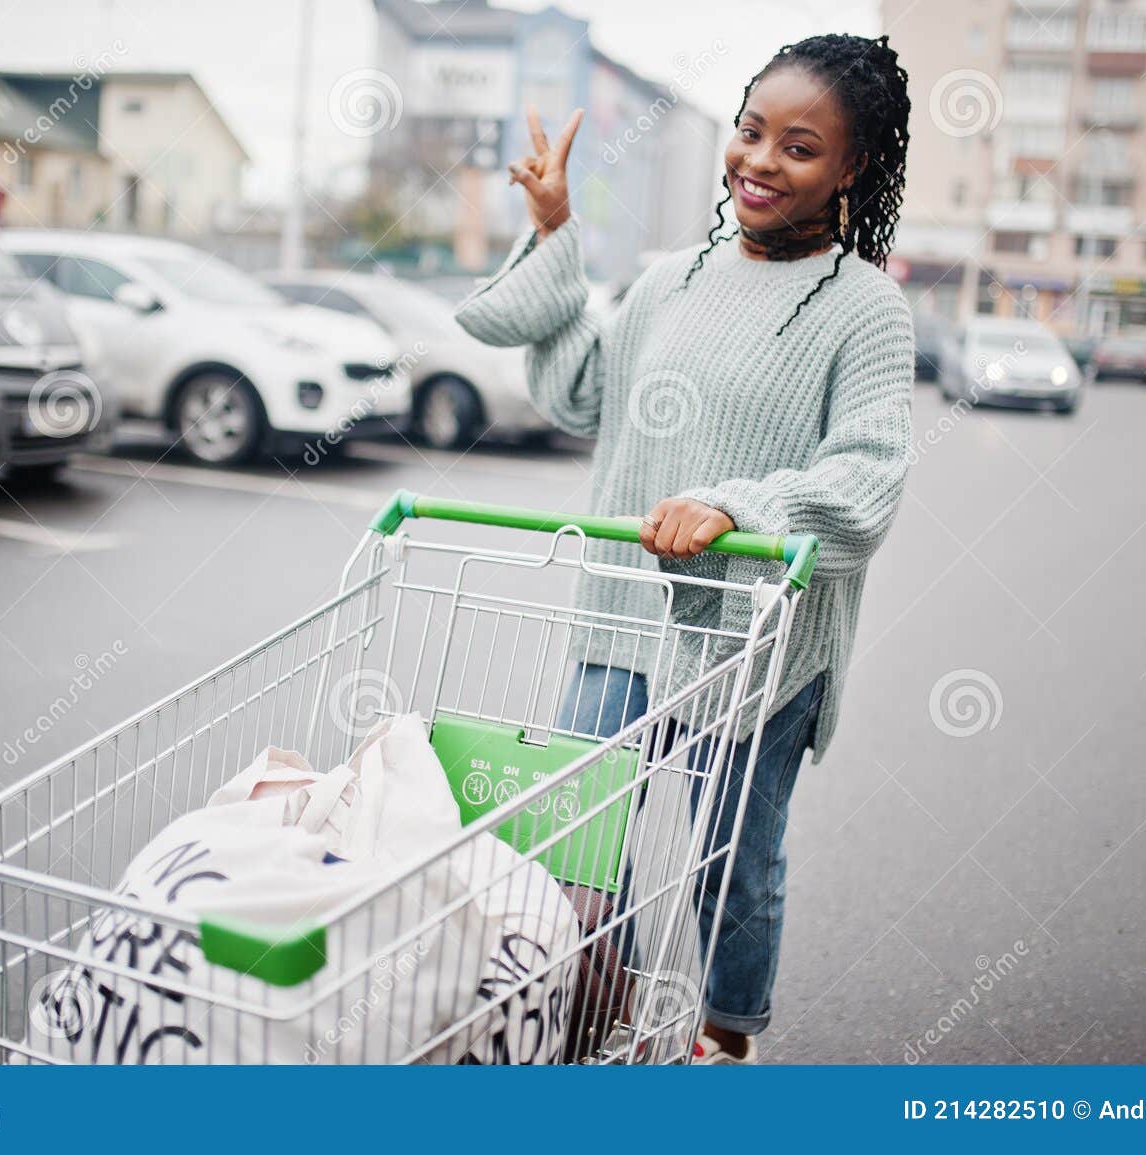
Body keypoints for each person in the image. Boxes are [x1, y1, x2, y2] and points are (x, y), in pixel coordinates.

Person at [453, 33, 916, 1063]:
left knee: (728, 865)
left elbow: (866, 481)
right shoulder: (671, 280)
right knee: (574, 846)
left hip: (759, 642)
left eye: (799, 148)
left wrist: (729, 506)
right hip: (622, 616)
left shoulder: (866, 311)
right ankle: (581, 1028)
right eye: (749, 132)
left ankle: (724, 1037)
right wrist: (554, 229)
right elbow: (581, 394)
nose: (758, 161)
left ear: (854, 169)